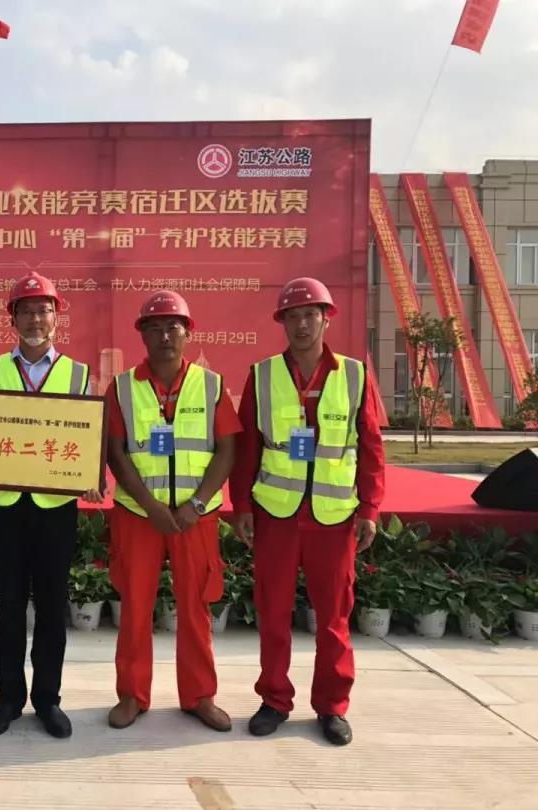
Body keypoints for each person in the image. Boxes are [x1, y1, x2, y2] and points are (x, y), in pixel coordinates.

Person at [230, 277, 385, 746]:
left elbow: (372, 446)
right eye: (293, 316)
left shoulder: (354, 375)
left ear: (326, 318)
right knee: (273, 613)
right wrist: (242, 505)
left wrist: (370, 507)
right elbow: (248, 447)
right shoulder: (262, 376)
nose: (301, 324)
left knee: (334, 618)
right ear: (282, 322)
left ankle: (332, 705)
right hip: (276, 514)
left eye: (310, 315)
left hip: (333, 518)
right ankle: (274, 700)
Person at [0, 271, 103, 739]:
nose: (36, 319)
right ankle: (8, 699)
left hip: (56, 505)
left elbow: (88, 435)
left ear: (56, 317)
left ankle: (48, 699)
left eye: (44, 310)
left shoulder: (78, 374)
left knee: (53, 605)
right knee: (10, 606)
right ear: (13, 318)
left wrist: (92, 476)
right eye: (27, 310)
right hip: (5, 505)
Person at [104, 290, 237, 732]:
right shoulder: (122, 387)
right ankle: (131, 694)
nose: (164, 335)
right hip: (138, 517)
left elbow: (227, 449)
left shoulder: (211, 385)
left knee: (196, 607)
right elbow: (116, 453)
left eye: (173, 327)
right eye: (155, 327)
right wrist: (151, 506)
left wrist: (196, 505)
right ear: (142, 334)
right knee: (135, 606)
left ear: (188, 332)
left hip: (194, 518)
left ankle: (199, 696)